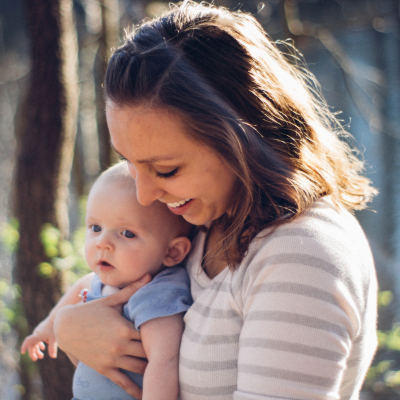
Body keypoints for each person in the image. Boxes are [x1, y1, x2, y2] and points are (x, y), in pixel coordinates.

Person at [53, 1, 378, 399]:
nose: (144, 194)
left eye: (167, 170)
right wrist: (71, 327)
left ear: (243, 139)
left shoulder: (300, 255)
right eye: (129, 163)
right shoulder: (204, 222)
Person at [21, 162, 193, 400]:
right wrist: (45, 329)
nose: (103, 242)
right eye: (96, 227)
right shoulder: (100, 281)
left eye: (127, 233)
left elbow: (164, 361)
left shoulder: (156, 294)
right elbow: (79, 287)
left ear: (172, 252)